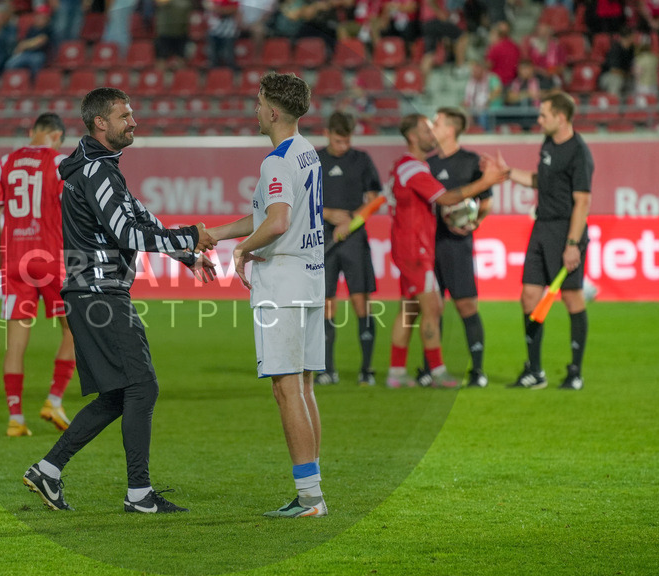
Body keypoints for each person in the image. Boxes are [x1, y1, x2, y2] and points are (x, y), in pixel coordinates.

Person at [22, 87, 217, 514]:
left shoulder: (97, 167)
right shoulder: (97, 171)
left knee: (116, 395)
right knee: (143, 386)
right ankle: (139, 494)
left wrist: (184, 253)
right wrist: (190, 236)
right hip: (99, 294)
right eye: (125, 116)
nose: (133, 122)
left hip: (87, 292)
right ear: (100, 123)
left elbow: (139, 216)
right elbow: (127, 234)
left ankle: (48, 471)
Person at [208, 72, 328, 518]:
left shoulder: (275, 161)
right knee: (305, 387)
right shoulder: (306, 153)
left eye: (258, 103)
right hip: (312, 279)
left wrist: (240, 249)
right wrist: (218, 234)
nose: (255, 110)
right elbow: (267, 214)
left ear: (273, 111)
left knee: (285, 390)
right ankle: (312, 491)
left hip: (282, 283)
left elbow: (276, 222)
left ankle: (310, 499)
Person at [385, 114, 506, 389]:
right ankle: (437, 372)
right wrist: (486, 182)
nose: (432, 136)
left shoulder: (410, 167)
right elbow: (447, 198)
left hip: (410, 247)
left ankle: (396, 373)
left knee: (410, 309)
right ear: (414, 137)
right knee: (433, 307)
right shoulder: (412, 168)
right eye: (427, 131)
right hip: (416, 250)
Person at [0, 113, 77, 438]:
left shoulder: (4, 163)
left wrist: (0, 248)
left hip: (16, 261)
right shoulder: (59, 163)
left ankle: (15, 418)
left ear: (32, 132)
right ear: (57, 136)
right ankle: (53, 400)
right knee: (75, 330)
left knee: (15, 344)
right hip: (52, 259)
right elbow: (73, 209)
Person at [497, 92, 593, 391]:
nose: (539, 120)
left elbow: (583, 202)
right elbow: (543, 180)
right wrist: (509, 173)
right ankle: (535, 371)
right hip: (541, 227)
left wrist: (573, 244)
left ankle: (575, 372)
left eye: (544, 115)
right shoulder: (549, 144)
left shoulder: (579, 152)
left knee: (572, 297)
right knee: (528, 296)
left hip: (566, 230)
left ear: (561, 117)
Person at [418, 107, 492, 388]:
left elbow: (486, 202)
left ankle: (478, 371)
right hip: (430, 246)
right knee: (431, 308)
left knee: (466, 306)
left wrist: (475, 223)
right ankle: (430, 369)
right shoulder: (427, 164)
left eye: (436, 123)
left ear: (450, 129)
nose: (432, 127)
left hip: (457, 245)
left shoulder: (472, 162)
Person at [314, 111, 381, 387]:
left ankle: (367, 369)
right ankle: (327, 369)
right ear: (328, 133)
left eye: (348, 140)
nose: (344, 145)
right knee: (327, 304)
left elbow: (376, 200)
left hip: (354, 241)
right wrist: (328, 214)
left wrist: (352, 223)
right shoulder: (315, 160)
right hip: (324, 240)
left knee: (361, 302)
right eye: (339, 140)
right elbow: (302, 200)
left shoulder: (361, 160)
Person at [3, 4, 50, 77]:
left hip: (39, 54)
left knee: (36, 61)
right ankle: (14, 84)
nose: (38, 18)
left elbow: (40, 41)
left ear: (46, 18)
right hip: (26, 53)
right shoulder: (32, 28)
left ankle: (34, 85)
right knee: (10, 64)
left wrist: (24, 45)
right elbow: (26, 42)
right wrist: (25, 45)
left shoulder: (48, 29)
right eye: (37, 16)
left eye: (41, 17)